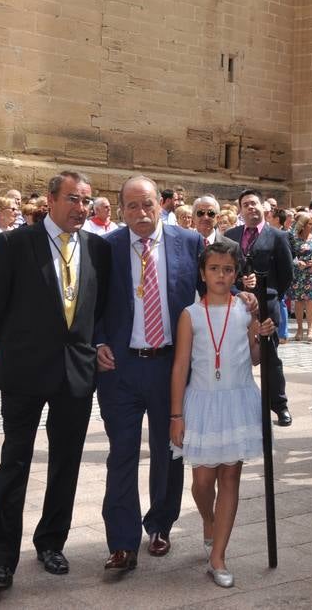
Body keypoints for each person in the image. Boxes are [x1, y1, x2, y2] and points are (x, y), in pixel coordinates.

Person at [0, 171, 107, 589]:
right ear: (50, 200)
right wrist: (17, 350)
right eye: (73, 199)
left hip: (76, 372)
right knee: (15, 461)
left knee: (66, 462)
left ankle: (52, 541)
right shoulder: (15, 243)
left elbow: (97, 310)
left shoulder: (97, 249)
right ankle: (0, 559)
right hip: (25, 370)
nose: (81, 208)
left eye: (87, 200)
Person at [95, 175, 205, 571]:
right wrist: (98, 341)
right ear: (120, 209)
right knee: (121, 454)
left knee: (168, 451)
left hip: (169, 367)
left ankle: (160, 524)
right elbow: (93, 302)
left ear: (162, 204)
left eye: (147, 205)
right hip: (120, 369)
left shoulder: (189, 242)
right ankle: (122, 543)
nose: (140, 214)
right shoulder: (106, 247)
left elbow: (210, 291)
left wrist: (245, 295)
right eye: (131, 206)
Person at [168, 240, 276, 588]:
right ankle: (208, 519)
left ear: (236, 274)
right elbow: (181, 365)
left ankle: (219, 556)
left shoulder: (246, 309)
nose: (221, 274)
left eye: (228, 269)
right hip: (202, 403)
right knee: (202, 482)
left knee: (230, 477)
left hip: (238, 401)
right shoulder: (191, 314)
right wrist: (176, 415)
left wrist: (261, 336)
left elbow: (256, 357)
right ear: (202, 273)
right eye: (213, 269)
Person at [225, 189, 293, 426]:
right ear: (240, 210)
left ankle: (279, 405)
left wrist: (271, 294)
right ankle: (237, 405)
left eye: (254, 203)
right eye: (246, 204)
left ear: (263, 207)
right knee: (236, 355)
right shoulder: (230, 235)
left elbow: (287, 275)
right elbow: (224, 270)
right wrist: (238, 287)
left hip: (267, 306)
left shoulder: (278, 236)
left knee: (270, 356)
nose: (250, 208)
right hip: (236, 305)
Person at [289, 211, 312, 343]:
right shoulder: (294, 238)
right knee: (298, 301)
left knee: (310, 300)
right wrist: (298, 263)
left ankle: (309, 330)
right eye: (310, 223)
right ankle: (299, 329)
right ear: (303, 225)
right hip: (298, 273)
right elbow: (290, 255)